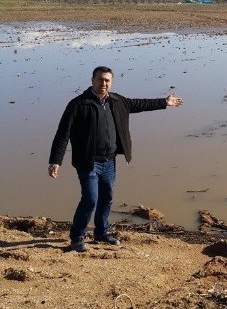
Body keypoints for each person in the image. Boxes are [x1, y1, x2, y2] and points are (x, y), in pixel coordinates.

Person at [48, 66, 183, 252]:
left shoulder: (118, 102)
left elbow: (140, 104)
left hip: (109, 161)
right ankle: (77, 237)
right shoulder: (78, 104)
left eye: (107, 80)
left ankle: (101, 233)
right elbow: (63, 134)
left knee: (107, 197)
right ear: (92, 80)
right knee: (90, 199)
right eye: (100, 79)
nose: (104, 83)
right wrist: (56, 160)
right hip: (88, 162)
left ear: (111, 82)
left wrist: (164, 102)